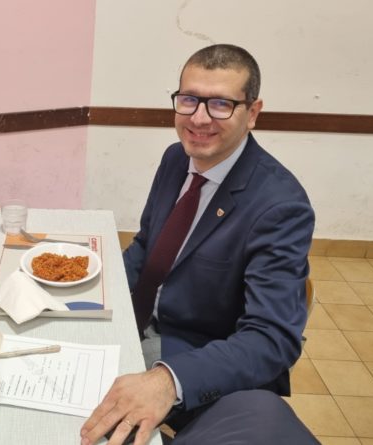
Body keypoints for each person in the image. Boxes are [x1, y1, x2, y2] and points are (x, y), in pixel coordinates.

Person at [80, 44, 318, 444]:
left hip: (194, 355)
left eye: (221, 104)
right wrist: (96, 294)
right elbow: (146, 247)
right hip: (134, 327)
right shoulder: (176, 159)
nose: (199, 118)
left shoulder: (280, 206)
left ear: (253, 112)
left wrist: (169, 380)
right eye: (189, 100)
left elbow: (271, 339)